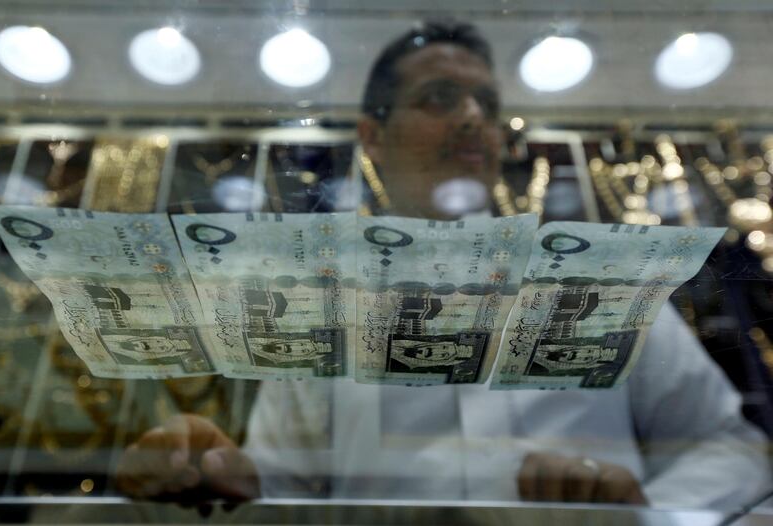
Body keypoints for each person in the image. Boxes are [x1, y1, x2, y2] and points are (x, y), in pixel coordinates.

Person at [115, 21, 771, 510]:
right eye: (439, 98)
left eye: (486, 105)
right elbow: (284, 487)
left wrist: (638, 513)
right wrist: (211, 469)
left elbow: (730, 448)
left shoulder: (597, 286)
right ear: (371, 134)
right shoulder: (325, 309)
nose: (472, 120)